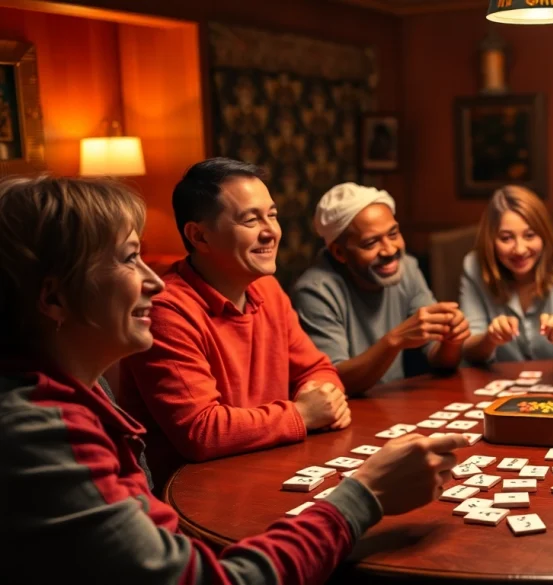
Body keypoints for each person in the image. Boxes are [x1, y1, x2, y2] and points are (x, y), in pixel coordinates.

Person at [0, 175, 468, 584]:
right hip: (211, 507)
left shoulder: (81, 393)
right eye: (128, 259)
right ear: (54, 299)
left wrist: (312, 396)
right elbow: (214, 572)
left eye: (272, 215)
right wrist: (362, 493)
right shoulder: (42, 433)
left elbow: (318, 368)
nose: (153, 282)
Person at [119, 158, 349, 492]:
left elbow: (317, 369)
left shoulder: (266, 289)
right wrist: (303, 414)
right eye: (250, 220)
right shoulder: (165, 311)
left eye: (272, 215)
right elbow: (201, 432)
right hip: (191, 495)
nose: (271, 232)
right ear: (199, 235)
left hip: (268, 471)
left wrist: (320, 396)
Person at [292, 183, 469, 394]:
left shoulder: (407, 268)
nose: (390, 250)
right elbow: (332, 382)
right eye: (371, 243)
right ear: (339, 253)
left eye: (393, 234)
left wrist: (451, 341)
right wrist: (394, 340)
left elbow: (438, 358)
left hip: (393, 402)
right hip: (345, 409)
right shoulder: (315, 291)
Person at [460, 186, 553, 363]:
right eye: (506, 238)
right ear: (491, 240)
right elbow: (468, 352)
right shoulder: (474, 266)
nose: (520, 250)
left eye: (530, 235)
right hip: (500, 378)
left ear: (544, 234)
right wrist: (490, 338)